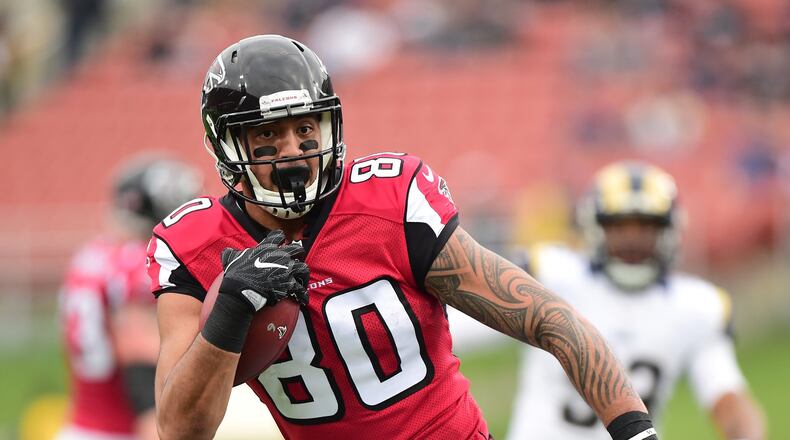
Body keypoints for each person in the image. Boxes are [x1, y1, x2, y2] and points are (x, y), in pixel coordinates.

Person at [146, 34, 659, 440]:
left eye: (306, 130)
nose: (295, 151)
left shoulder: (390, 201)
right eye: (268, 136)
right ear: (226, 144)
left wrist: (635, 432)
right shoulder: (192, 246)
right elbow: (179, 429)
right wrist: (232, 311)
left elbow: (549, 318)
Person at [501, 161, 766, 440]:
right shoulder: (553, 274)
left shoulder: (695, 306)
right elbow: (465, 324)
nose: (633, 238)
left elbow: (726, 395)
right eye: (620, 226)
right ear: (597, 226)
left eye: (646, 226)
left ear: (668, 230)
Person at [58, 155, 202, 440]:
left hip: (83, 425)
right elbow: (139, 354)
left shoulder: (91, 257)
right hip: (124, 429)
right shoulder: (137, 263)